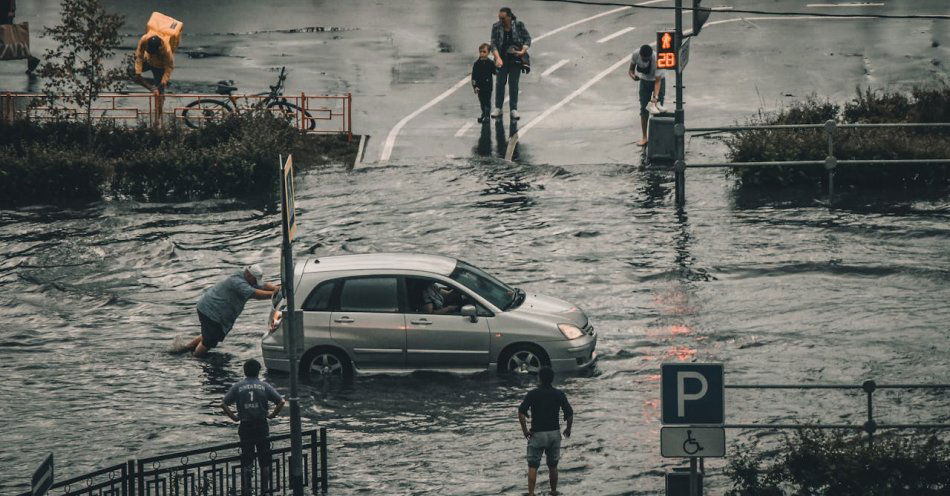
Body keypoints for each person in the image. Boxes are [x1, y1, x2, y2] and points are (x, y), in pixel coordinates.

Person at [186, 265, 280, 357]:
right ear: (248, 275)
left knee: (210, 334)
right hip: (211, 310)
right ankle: (195, 358)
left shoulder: (246, 277)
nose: (255, 282)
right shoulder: (238, 282)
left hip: (211, 309)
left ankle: (187, 348)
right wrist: (275, 294)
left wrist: (277, 288)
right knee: (209, 341)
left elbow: (262, 285)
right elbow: (256, 294)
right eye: (255, 280)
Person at [222, 359, 285, 496]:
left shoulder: (238, 387)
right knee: (265, 460)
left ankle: (247, 490)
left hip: (245, 426)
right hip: (261, 425)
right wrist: (272, 415)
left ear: (245, 371)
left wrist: (234, 417)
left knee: (247, 460)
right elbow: (281, 402)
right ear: (258, 371)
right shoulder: (264, 386)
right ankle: (265, 490)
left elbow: (224, 403)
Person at [518, 366, 573, 496]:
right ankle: (553, 492)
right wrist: (568, 429)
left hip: (537, 434)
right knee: (553, 466)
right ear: (552, 379)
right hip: (554, 434)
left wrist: (525, 431)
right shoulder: (559, 394)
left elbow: (521, 413)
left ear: (539, 379)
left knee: (533, 466)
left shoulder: (532, 394)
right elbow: (570, 414)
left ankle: (531, 493)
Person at [490, 7, 531, 121]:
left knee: (513, 84)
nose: (501, 20)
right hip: (502, 58)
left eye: (503, 18)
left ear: (509, 17)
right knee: (499, 83)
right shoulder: (496, 27)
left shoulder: (519, 25)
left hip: (515, 59)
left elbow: (527, 39)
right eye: (499, 18)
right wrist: (497, 58)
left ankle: (514, 109)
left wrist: (522, 50)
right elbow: (493, 44)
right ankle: (498, 108)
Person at [628, 44, 667, 146]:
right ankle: (645, 137)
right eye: (643, 59)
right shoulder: (636, 54)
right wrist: (633, 76)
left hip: (658, 80)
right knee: (644, 109)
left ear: (651, 56)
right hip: (644, 81)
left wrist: (655, 97)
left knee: (657, 109)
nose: (645, 61)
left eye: (647, 60)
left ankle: (657, 137)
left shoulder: (657, 60)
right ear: (640, 55)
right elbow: (630, 70)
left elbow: (657, 82)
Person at [0, 0, 41, 74]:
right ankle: (31, 59)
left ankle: (31, 59)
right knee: (10, 37)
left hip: (4, 11)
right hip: (4, 10)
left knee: (10, 37)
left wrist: (12, 10)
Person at [472, 42, 496, 123]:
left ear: (488, 53)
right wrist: (475, 86)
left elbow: (495, 72)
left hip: (488, 86)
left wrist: (498, 67)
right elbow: (474, 76)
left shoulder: (490, 63)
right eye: (481, 51)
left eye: (484, 52)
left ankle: (487, 115)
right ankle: (484, 114)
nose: (482, 53)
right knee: (482, 101)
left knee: (487, 101)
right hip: (480, 86)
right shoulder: (476, 64)